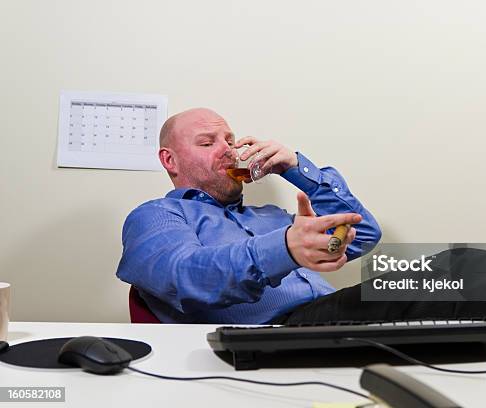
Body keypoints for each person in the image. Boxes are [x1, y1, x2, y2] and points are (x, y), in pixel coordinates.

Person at [116, 107, 382, 324]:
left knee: (417, 283)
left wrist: (297, 170)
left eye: (230, 141)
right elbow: (183, 278)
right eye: (208, 142)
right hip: (272, 334)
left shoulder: (273, 217)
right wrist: (284, 249)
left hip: (332, 324)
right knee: (420, 286)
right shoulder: (157, 216)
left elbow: (361, 235)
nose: (229, 151)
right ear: (169, 160)